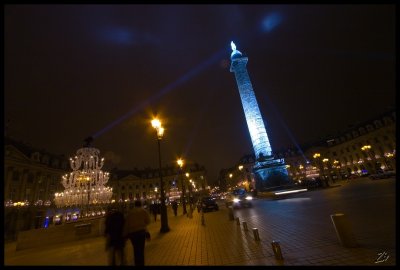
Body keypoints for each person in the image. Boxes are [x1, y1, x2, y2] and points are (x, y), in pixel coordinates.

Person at [123, 200, 151, 266]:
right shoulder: (144, 211)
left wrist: (124, 234)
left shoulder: (130, 212)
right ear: (140, 204)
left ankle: (137, 263)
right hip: (141, 232)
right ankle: (141, 263)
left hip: (132, 234)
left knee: (135, 249)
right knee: (141, 249)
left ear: (134, 205)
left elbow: (126, 224)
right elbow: (148, 221)